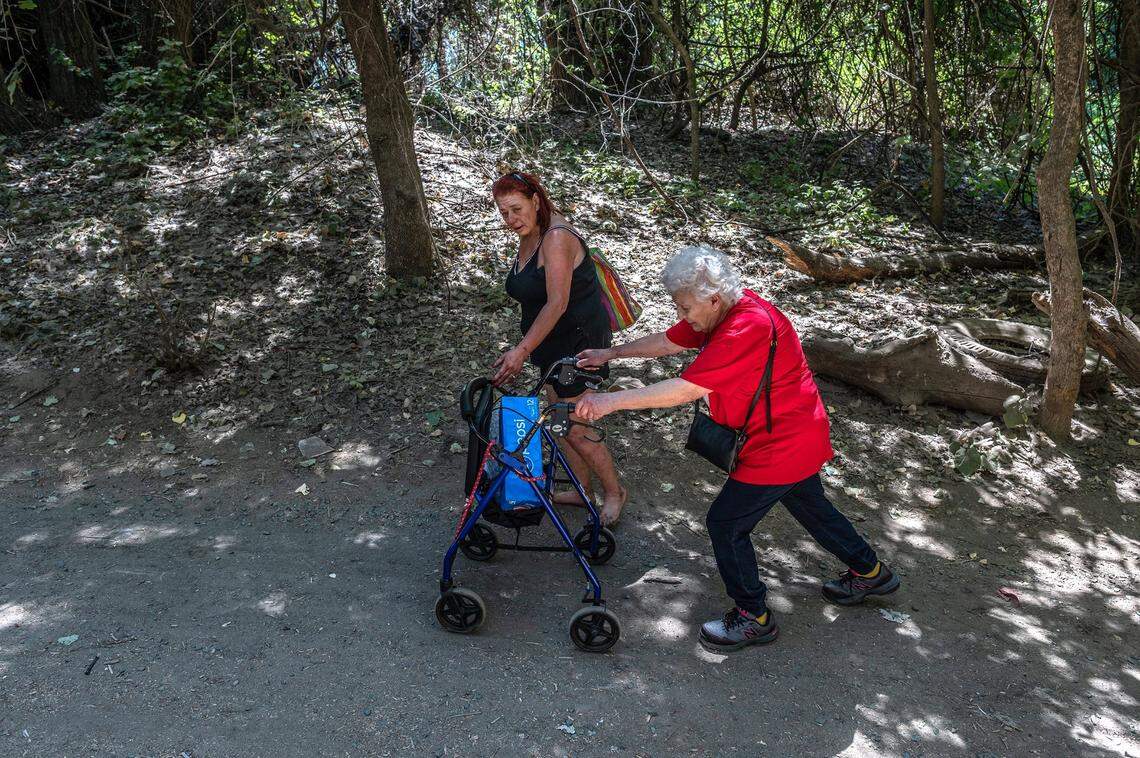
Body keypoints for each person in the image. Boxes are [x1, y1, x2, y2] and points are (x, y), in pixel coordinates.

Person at [575, 245, 900, 652]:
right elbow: (670, 342)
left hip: (780, 443)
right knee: (810, 505)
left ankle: (753, 616)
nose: (683, 316)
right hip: (791, 434)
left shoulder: (746, 327)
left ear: (712, 299)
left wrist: (609, 402)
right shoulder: (720, 310)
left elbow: (686, 389)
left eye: (686, 307)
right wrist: (614, 353)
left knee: (726, 524)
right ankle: (870, 571)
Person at [490, 171, 628, 525]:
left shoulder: (556, 239)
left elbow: (557, 304)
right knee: (558, 421)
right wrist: (529, 347)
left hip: (579, 343)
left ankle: (614, 492)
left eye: (517, 209)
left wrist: (520, 351)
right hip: (551, 344)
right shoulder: (529, 234)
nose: (511, 219)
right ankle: (583, 490)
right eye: (504, 212)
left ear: (536, 201)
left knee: (577, 426)